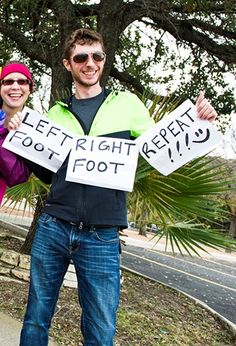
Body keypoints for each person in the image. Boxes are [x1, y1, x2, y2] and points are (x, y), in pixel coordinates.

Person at [19, 28, 217, 346]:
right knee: (35, 318)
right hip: (53, 227)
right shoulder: (55, 113)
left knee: (101, 328)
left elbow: (162, 147)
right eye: (81, 57)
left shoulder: (128, 104)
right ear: (68, 64)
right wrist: (17, 133)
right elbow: (44, 172)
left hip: (102, 235)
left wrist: (198, 122)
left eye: (96, 56)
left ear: (103, 60)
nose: (90, 63)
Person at [0, 61, 34, 204]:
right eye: (8, 82)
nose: (15, 87)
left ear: (30, 88)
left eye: (22, 81)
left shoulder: (32, 130)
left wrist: (8, 135)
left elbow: (17, 177)